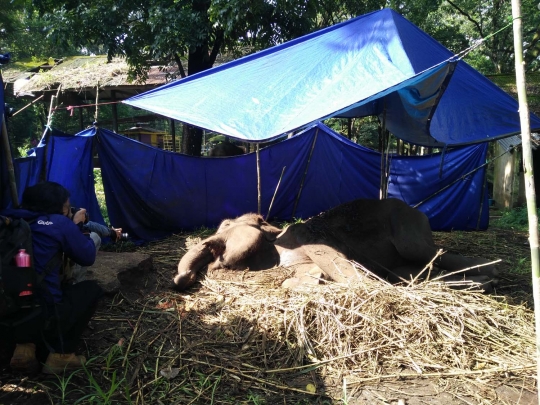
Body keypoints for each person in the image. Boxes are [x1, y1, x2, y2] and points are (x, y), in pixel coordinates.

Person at [0, 181, 104, 374]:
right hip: (44, 315)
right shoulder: (58, 223)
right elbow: (87, 256)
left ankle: (24, 348)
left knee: (27, 289)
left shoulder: (9, 220)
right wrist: (77, 225)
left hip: (7, 314)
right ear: (59, 207)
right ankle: (61, 356)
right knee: (91, 290)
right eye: (66, 206)